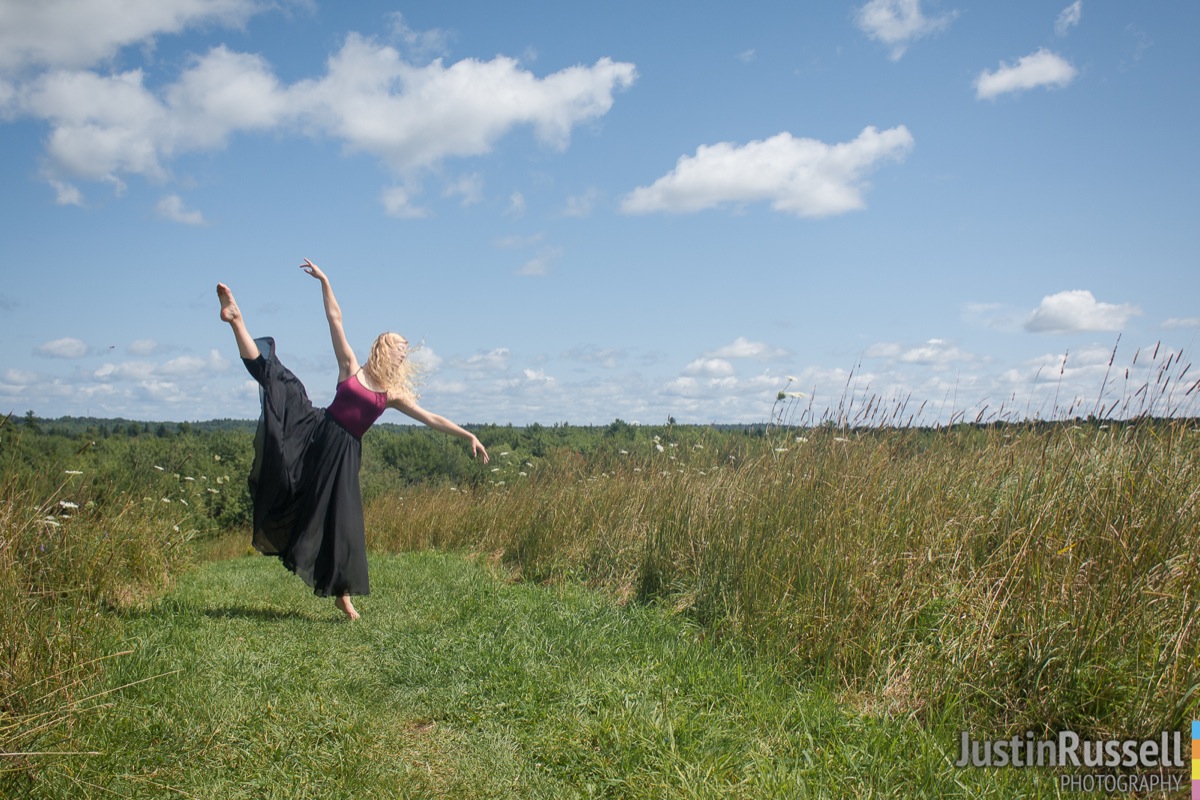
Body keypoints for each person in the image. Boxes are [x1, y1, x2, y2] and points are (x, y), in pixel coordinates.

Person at [216, 259, 488, 620]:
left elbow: (432, 418)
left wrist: (467, 433)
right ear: (382, 347)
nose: (402, 351)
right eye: (397, 345)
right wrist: (325, 282)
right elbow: (335, 320)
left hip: (344, 456)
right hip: (317, 433)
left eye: (404, 349)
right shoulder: (351, 367)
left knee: (343, 523)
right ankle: (237, 320)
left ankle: (343, 597)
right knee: (277, 380)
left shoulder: (391, 395)